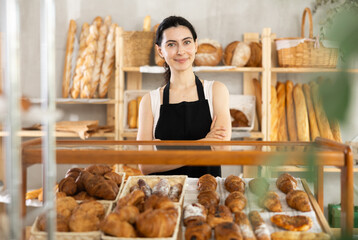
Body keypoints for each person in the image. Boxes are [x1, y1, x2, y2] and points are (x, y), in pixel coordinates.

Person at [137, 16, 231, 177]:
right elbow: (146, 165)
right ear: (160, 51)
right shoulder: (150, 101)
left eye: (186, 42)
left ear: (196, 45)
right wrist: (204, 144)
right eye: (171, 44)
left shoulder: (216, 91)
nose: (180, 51)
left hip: (207, 195)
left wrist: (166, 157)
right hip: (164, 199)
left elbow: (221, 150)